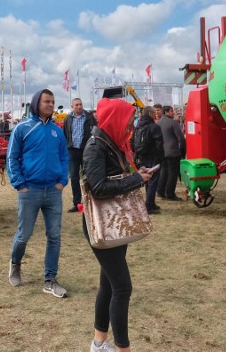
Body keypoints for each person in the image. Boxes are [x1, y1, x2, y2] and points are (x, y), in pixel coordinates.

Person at [82, 98, 154, 352]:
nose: (130, 128)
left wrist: (137, 174)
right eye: (127, 122)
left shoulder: (111, 143)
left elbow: (114, 177)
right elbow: (99, 188)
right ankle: (122, 349)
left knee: (109, 285)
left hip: (115, 223)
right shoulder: (95, 147)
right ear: (114, 120)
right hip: (102, 224)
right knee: (122, 288)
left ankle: (99, 343)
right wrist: (135, 180)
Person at [6, 88, 70, 298]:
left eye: (52, 102)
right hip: (29, 190)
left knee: (54, 236)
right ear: (36, 103)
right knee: (24, 235)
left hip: (53, 191)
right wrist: (19, 184)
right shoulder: (22, 129)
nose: (50, 105)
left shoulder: (57, 130)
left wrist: (62, 181)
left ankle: (50, 280)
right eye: (46, 102)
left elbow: (64, 157)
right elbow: (12, 158)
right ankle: (15, 263)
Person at [63, 97, 96, 213]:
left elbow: (95, 133)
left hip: (86, 151)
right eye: (76, 105)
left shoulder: (89, 117)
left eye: (80, 104)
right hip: (72, 151)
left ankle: (90, 202)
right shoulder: (67, 119)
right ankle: (77, 203)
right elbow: (65, 134)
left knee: (89, 177)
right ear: (72, 107)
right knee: (74, 177)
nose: (79, 106)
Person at [132, 105, 164, 214]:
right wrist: (160, 157)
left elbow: (132, 143)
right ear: (150, 114)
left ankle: (151, 202)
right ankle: (149, 206)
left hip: (141, 157)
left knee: (147, 180)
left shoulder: (137, 127)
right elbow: (159, 144)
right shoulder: (154, 127)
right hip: (153, 156)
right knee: (153, 181)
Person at [157, 105, 187, 201]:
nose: (173, 113)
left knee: (163, 172)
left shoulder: (158, 123)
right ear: (166, 112)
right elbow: (181, 138)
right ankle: (170, 194)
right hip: (172, 151)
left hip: (162, 152)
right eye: (171, 111)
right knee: (173, 173)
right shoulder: (173, 123)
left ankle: (160, 191)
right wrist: (183, 151)